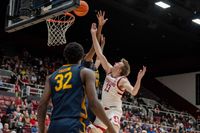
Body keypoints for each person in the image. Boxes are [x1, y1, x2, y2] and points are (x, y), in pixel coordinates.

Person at [37, 42, 116, 133]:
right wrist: (110, 128)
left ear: (65, 56)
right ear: (81, 57)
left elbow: (42, 105)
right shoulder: (86, 72)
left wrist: (41, 130)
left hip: (54, 125)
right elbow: (93, 103)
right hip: (74, 124)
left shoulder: (51, 77)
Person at [89, 23, 147, 133]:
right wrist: (93, 34)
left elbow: (134, 92)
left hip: (113, 110)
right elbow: (99, 54)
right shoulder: (109, 70)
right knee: (93, 131)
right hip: (102, 108)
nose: (115, 62)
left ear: (120, 70)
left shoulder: (122, 80)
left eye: (118, 63)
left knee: (113, 130)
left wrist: (139, 78)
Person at [82, 10, 107, 125]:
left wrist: (102, 45)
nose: (91, 56)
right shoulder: (85, 64)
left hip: (93, 99)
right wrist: (99, 27)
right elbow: (93, 49)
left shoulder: (93, 67)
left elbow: (99, 57)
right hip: (86, 98)